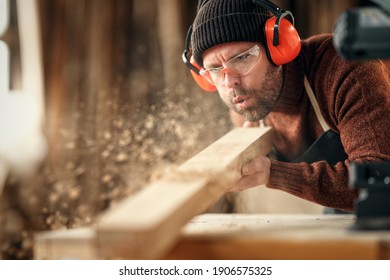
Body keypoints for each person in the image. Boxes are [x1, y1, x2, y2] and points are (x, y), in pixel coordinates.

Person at [182, 0, 390, 212]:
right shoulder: (245, 105)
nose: (230, 83)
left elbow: (378, 180)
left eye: (243, 57)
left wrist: (273, 173)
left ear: (279, 48)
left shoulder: (344, 72)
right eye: (215, 69)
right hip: (349, 206)